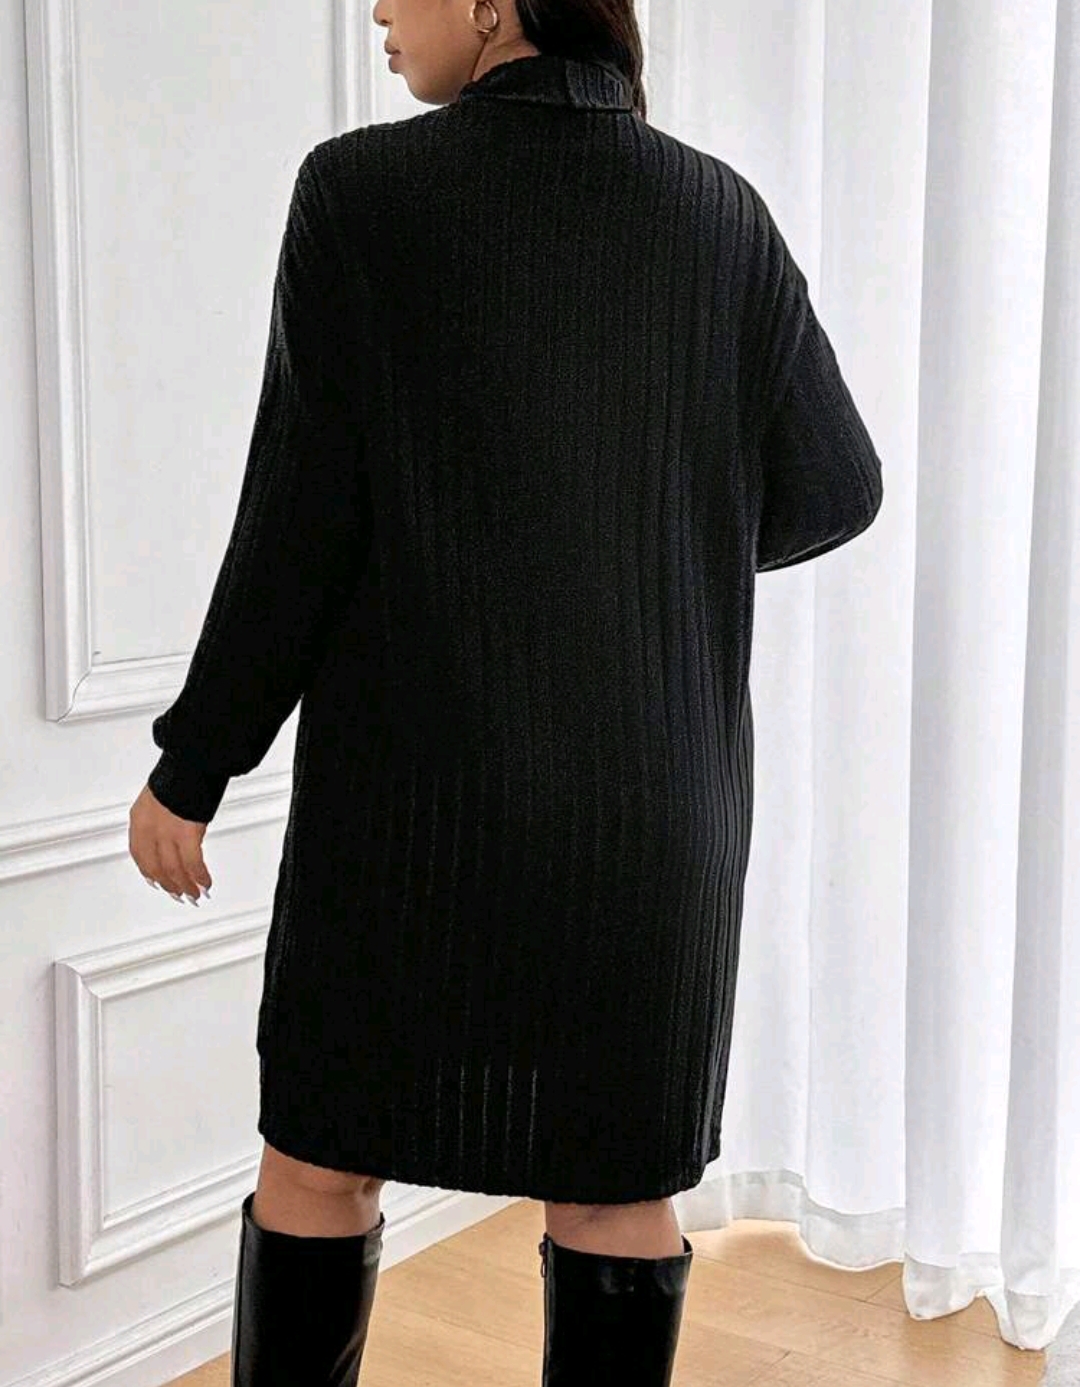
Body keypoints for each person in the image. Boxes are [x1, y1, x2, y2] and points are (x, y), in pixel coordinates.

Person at [128, 0, 884, 1382]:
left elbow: (299, 521)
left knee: (320, 1163)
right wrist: (650, 532)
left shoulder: (361, 194)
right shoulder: (721, 216)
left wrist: (195, 764)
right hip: (649, 822)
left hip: (408, 812)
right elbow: (839, 485)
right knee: (614, 1192)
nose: (377, 8)